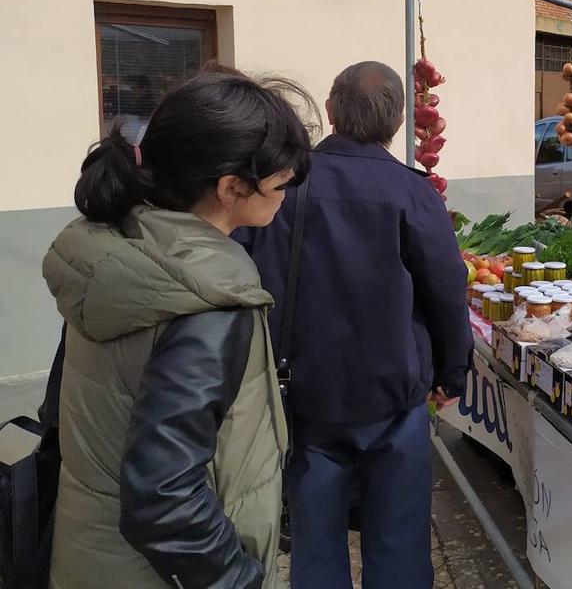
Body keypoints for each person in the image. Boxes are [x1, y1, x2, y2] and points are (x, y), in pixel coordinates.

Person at [42, 72, 314, 589]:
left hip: (91, 554)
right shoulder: (208, 299)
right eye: (281, 184)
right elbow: (164, 496)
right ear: (231, 188)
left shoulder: (119, 248)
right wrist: (238, 580)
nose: (287, 197)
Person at [238, 61, 472, 589]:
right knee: (399, 540)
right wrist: (453, 371)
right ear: (397, 121)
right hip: (392, 395)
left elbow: (246, 278)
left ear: (330, 110)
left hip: (305, 393)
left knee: (316, 543)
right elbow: (446, 289)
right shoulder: (412, 192)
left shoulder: (281, 186)